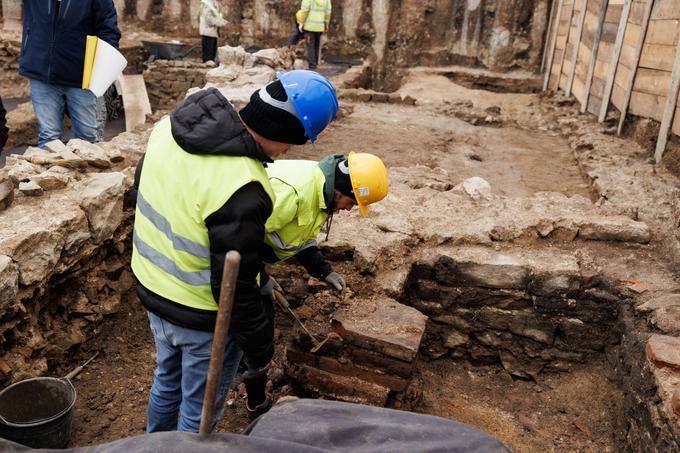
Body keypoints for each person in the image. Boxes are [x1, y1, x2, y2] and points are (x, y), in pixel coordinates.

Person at [131, 69, 338, 432]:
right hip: (198, 314)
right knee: (199, 413)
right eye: (291, 144)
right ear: (283, 132)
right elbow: (236, 286)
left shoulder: (173, 125)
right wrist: (259, 349)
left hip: (151, 288)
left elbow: (143, 189)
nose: (285, 153)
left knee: (166, 382)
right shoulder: (243, 184)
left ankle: (152, 444)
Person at [260, 153, 389, 295]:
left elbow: (301, 238)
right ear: (341, 189)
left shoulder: (323, 192)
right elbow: (236, 237)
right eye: (352, 202)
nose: (348, 209)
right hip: (237, 252)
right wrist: (257, 276)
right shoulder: (292, 194)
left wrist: (323, 270)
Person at [19, 0, 121, 148]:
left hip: (81, 77)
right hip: (41, 72)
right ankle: (51, 172)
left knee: (87, 138)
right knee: (49, 137)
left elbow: (109, 31)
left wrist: (102, 68)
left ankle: (89, 170)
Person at [299, 0, 332, 70]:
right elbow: (328, 12)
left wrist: (301, 22)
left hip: (309, 26)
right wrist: (326, 23)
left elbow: (305, 10)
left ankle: (312, 67)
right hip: (320, 26)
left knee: (310, 46)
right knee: (316, 45)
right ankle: (315, 65)